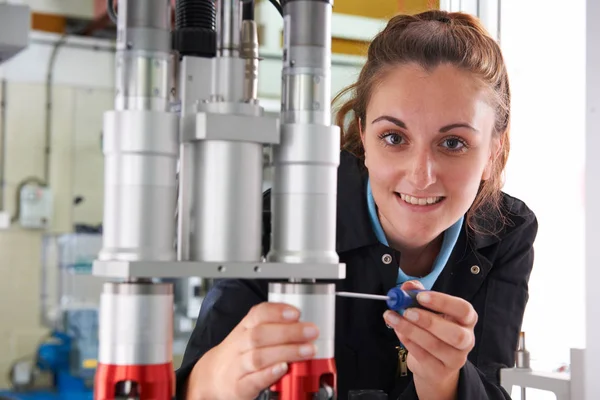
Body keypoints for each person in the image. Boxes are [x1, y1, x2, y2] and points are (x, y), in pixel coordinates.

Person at [176, 9, 538, 400]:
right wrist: (214, 381)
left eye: (453, 143)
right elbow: (193, 383)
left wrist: (447, 383)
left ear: (492, 152)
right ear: (364, 136)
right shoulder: (279, 220)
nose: (420, 176)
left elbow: (491, 386)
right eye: (394, 138)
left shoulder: (504, 231)